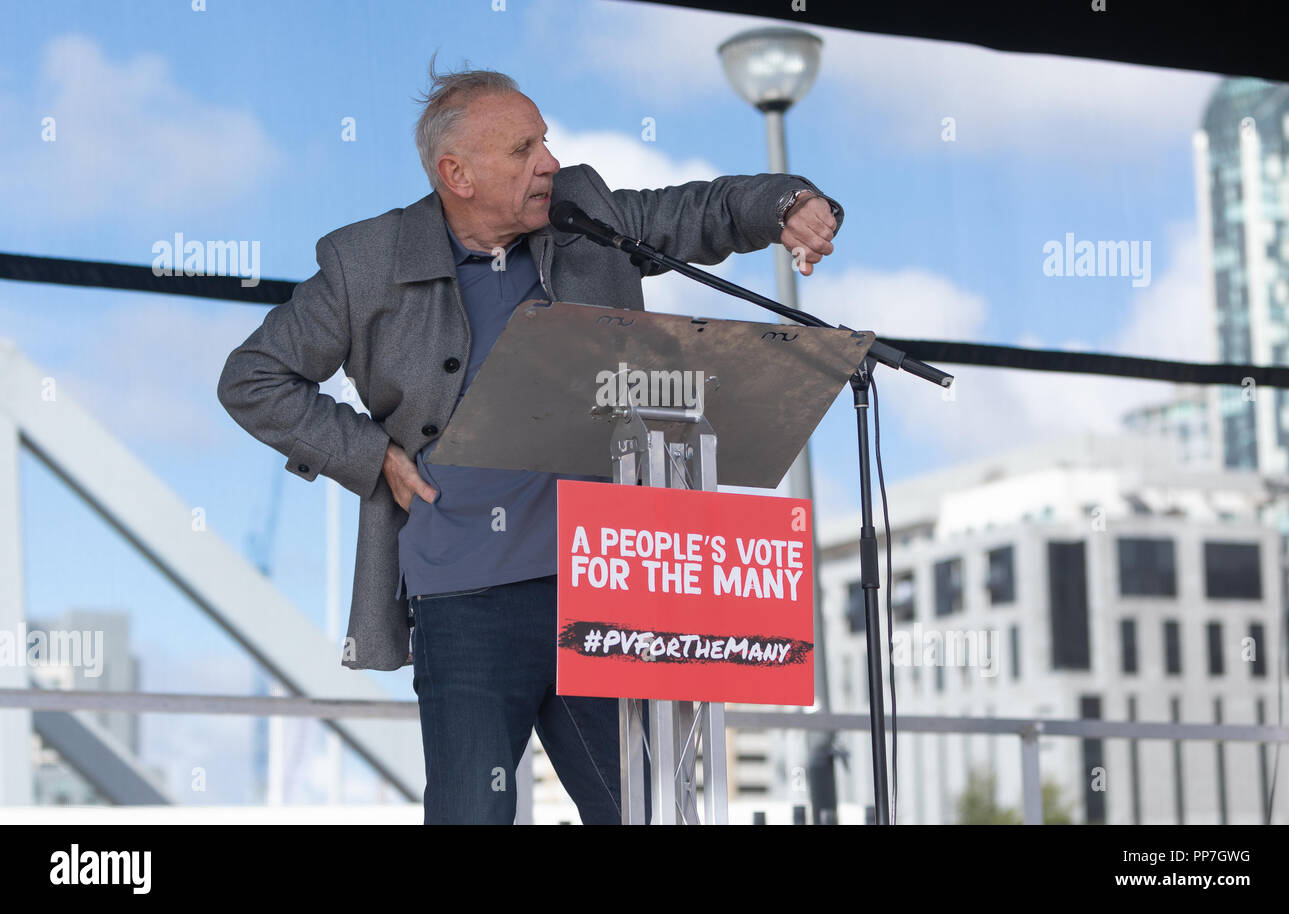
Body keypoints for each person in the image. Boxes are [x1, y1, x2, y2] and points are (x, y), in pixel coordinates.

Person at [217, 60, 843, 824]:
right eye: (522, 150)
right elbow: (254, 378)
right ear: (458, 174)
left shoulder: (587, 212)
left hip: (607, 585)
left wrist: (784, 203)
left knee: (640, 812)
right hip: (466, 596)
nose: (549, 162)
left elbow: (699, 210)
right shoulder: (365, 262)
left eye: (544, 141)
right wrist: (372, 455)